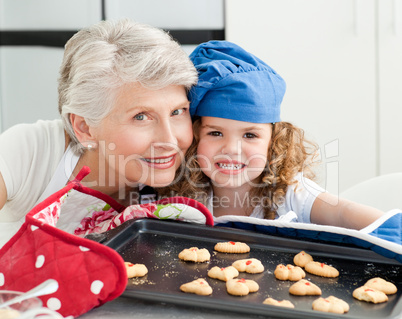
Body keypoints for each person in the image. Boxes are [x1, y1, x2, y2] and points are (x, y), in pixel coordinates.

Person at [162, 40, 384, 230]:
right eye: (216, 133)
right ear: (196, 137)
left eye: (249, 135)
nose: (231, 148)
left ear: (274, 142)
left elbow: (342, 213)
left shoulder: (292, 194)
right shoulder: (184, 196)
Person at [0, 19, 198, 228]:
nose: (169, 141)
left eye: (177, 111)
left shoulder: (194, 170)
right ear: (84, 128)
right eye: (140, 116)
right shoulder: (28, 152)